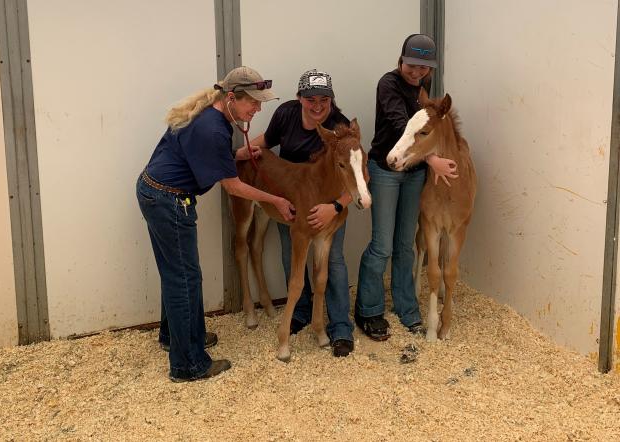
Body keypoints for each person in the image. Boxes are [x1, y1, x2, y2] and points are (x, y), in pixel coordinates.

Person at [137, 66, 295, 382]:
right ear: (233, 97)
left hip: (157, 193)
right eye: (253, 102)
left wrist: (237, 153)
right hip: (170, 200)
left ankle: (176, 339)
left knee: (177, 275)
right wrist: (275, 200)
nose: (258, 108)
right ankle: (188, 364)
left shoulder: (213, 117)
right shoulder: (213, 128)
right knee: (185, 279)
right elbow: (232, 186)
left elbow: (203, 155)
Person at [244, 69, 355, 357]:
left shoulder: (339, 127)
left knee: (333, 262)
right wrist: (236, 154)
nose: (317, 106)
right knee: (290, 255)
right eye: (310, 99)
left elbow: (355, 175)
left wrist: (336, 206)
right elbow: (266, 141)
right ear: (299, 98)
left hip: (328, 206)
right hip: (289, 199)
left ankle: (340, 326)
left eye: (324, 100)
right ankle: (302, 313)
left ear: (331, 100)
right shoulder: (286, 114)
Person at [355, 34, 458, 340]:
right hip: (386, 170)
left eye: (424, 68)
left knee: (404, 245)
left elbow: (429, 133)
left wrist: (430, 160)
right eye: (412, 65)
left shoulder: (424, 94)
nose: (416, 72)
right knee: (382, 245)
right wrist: (433, 161)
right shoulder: (388, 84)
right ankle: (369, 310)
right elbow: (405, 126)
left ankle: (406, 308)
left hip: (413, 175)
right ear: (400, 60)